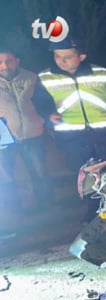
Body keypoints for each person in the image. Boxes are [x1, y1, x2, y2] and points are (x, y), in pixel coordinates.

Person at [38, 38, 106, 219]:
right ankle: (96, 213)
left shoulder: (99, 73)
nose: (62, 61)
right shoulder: (46, 77)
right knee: (85, 175)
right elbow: (40, 103)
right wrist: (48, 116)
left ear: (81, 56)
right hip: (72, 137)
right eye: (57, 56)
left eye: (67, 57)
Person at [0, 47, 57, 209]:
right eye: (0, 62)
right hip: (3, 139)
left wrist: (48, 117)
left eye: (8, 61)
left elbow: (44, 103)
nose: (4, 66)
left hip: (33, 134)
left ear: (17, 61)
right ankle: (13, 208)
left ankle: (46, 204)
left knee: (40, 172)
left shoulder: (31, 78)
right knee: (6, 176)